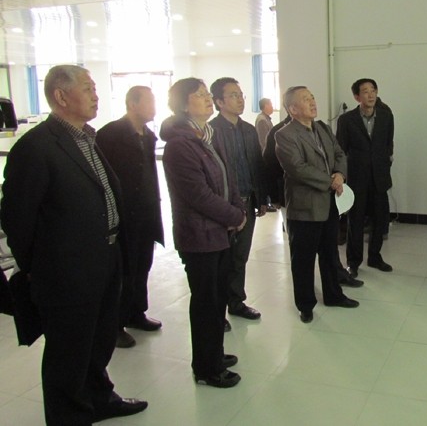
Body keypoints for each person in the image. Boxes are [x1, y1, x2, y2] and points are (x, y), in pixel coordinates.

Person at [0, 65, 147, 425]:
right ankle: (69, 416)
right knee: (68, 352)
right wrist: (41, 268)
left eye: (95, 88)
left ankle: (99, 398)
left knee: (99, 341)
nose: (96, 95)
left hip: (104, 258)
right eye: (87, 88)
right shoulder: (36, 147)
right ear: (61, 96)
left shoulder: (88, 138)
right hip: (65, 271)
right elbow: (17, 218)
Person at [160, 78, 247, 388]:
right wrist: (234, 216)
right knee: (206, 303)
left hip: (219, 232)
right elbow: (198, 195)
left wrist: (238, 208)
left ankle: (214, 354)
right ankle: (207, 369)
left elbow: (228, 179)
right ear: (184, 104)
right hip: (199, 237)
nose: (208, 98)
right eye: (199, 95)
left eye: (208, 94)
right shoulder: (179, 145)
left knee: (217, 298)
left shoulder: (206, 135)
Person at [275, 86, 359, 323]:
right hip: (304, 208)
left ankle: (334, 295)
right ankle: (305, 305)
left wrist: (340, 174)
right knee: (303, 260)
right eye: (305, 99)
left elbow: (339, 153)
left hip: (328, 204)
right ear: (293, 109)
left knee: (330, 253)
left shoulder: (322, 127)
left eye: (312, 97)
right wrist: (330, 181)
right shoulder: (284, 135)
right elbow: (297, 168)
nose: (313, 102)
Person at [96, 86, 165, 349]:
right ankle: (114, 326)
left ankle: (136, 313)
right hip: (124, 215)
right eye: (149, 101)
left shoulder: (148, 136)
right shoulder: (110, 135)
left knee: (142, 266)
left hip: (147, 213)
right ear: (132, 104)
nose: (154, 106)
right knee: (122, 271)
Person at [209, 77, 268, 322]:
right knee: (221, 259)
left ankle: (236, 302)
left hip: (248, 200)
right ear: (219, 102)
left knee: (240, 257)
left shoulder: (248, 130)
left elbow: (257, 164)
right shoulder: (211, 131)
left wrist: (262, 197)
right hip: (224, 205)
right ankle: (216, 312)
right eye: (233, 95)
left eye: (241, 94)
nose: (240, 99)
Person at [336, 78, 394, 277]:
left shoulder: (386, 116)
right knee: (356, 221)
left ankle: (375, 257)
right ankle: (353, 262)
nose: (371, 95)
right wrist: (342, 175)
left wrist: (384, 164)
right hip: (356, 178)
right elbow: (340, 150)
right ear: (357, 97)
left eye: (373, 90)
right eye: (366, 91)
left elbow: (388, 145)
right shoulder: (346, 120)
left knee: (380, 220)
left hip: (379, 177)